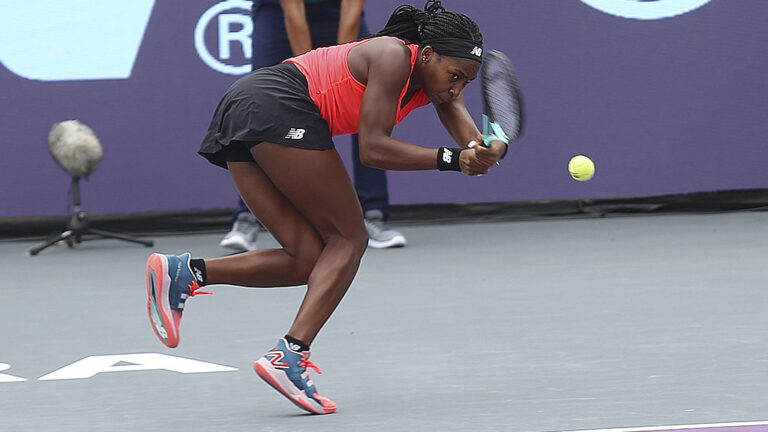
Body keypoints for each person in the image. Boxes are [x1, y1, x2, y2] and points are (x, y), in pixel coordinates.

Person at [146, 0, 506, 415]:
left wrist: (482, 151)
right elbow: (372, 148)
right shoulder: (392, 56)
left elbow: (467, 136)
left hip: (247, 108)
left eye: (466, 81)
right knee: (350, 238)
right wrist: (452, 159)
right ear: (427, 54)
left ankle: (184, 272)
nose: (457, 87)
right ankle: (290, 356)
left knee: (307, 260)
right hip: (277, 104)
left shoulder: (437, 84)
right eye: (454, 75)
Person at [219, 0, 407, 252]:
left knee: (365, 99)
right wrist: (308, 78)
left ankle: (372, 214)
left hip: (339, 11)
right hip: (278, 13)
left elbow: (352, 6)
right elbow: (293, 10)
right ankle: (247, 218)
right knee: (262, 105)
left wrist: (341, 68)